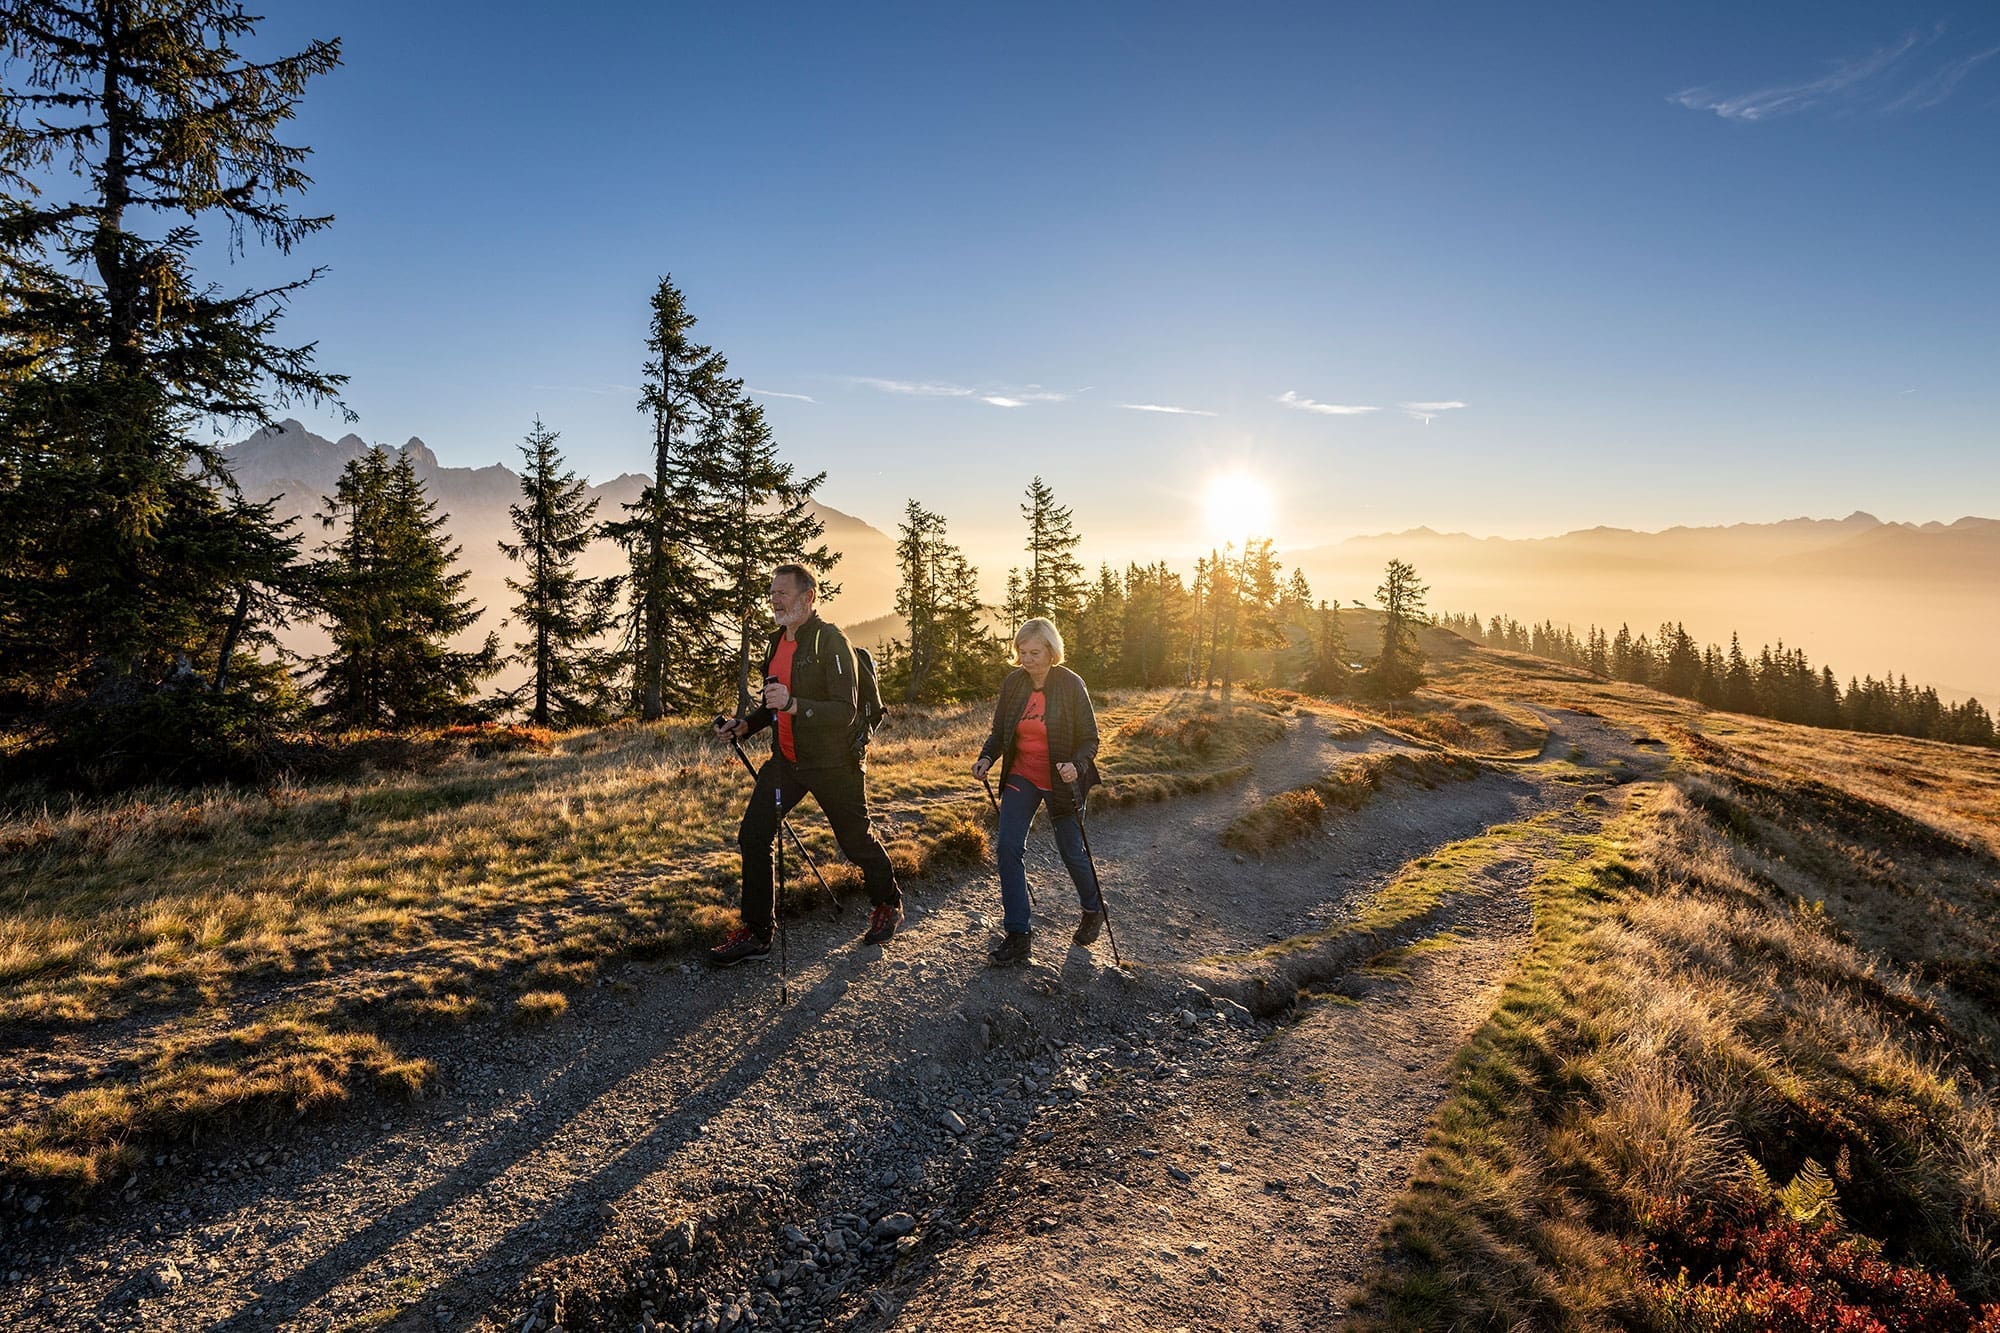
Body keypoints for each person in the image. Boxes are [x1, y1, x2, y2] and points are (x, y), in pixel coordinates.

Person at [709, 564, 903, 965]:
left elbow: (845, 711)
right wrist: (744, 725)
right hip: (788, 761)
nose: (775, 600)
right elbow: (772, 703)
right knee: (754, 835)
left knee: (855, 840)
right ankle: (758, 933)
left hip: (836, 764)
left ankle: (888, 903)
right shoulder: (775, 642)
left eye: (783, 593)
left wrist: (794, 705)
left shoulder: (832, 642)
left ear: (808, 597)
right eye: (773, 592)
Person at [972, 617, 1104, 965]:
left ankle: (1094, 908)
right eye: (1021, 652)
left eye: (1033, 652)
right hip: (1022, 775)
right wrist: (987, 757)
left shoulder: (1071, 685)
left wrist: (1076, 765)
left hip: (1063, 781)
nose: (1026, 659)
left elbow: (1091, 739)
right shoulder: (1014, 684)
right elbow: (1000, 732)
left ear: (1051, 651)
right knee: (1007, 849)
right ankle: (1018, 935)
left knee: (1071, 851)